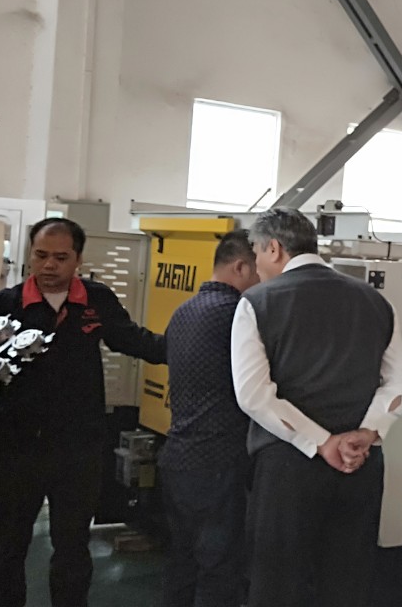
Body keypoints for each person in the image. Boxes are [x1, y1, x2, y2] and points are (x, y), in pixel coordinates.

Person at [0, 218, 166, 607]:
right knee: (7, 544)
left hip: (79, 448)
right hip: (16, 447)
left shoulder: (96, 300)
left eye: (61, 257)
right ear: (30, 255)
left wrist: (187, 346)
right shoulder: (5, 304)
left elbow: (133, 339)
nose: (49, 265)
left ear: (78, 259)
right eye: (41, 255)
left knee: (72, 545)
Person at [231, 207, 402, 606]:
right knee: (347, 583)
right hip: (360, 466)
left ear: (274, 249)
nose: (256, 266)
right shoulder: (376, 301)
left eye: (257, 253)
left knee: (278, 585)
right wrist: (366, 433)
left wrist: (320, 442)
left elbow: (253, 395)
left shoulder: (257, 303)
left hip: (288, 469)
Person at [159, 230, 261, 607]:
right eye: (262, 272)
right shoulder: (236, 316)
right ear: (241, 267)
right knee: (219, 570)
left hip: (179, 457)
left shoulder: (184, 311)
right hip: (216, 463)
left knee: (183, 564)